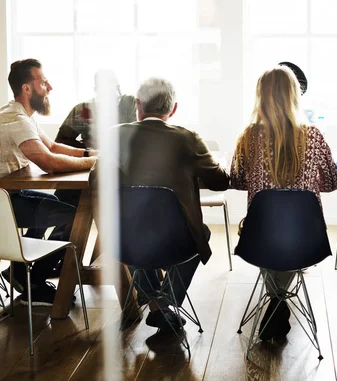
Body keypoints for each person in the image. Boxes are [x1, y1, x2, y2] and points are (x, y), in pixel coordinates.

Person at [94, 77, 230, 330]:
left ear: (138, 104)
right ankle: (164, 301)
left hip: (127, 241)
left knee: (128, 231)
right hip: (175, 243)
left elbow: (96, 180)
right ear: (173, 109)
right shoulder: (187, 138)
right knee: (202, 234)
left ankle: (156, 302)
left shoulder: (115, 134)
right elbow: (221, 182)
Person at [230, 65, 337, 340]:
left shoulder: (248, 137)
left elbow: (237, 181)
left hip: (259, 234)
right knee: (288, 235)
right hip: (306, 235)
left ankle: (276, 303)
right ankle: (279, 303)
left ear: (260, 97)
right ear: (295, 95)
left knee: (268, 232)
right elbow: (331, 183)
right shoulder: (313, 135)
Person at [0, 58, 97, 306]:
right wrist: (97, 163)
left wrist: (90, 155)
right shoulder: (16, 121)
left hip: (12, 198)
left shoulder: (20, 114)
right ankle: (33, 282)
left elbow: (52, 146)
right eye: (43, 82)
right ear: (27, 89)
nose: (49, 87)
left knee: (57, 205)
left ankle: (20, 274)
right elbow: (49, 162)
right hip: (6, 206)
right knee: (74, 218)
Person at [55, 69, 136, 149]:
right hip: (92, 157)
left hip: (124, 157)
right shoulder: (83, 108)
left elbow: (138, 136)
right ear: (96, 90)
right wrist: (87, 148)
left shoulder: (129, 103)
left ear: (118, 88)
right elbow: (60, 141)